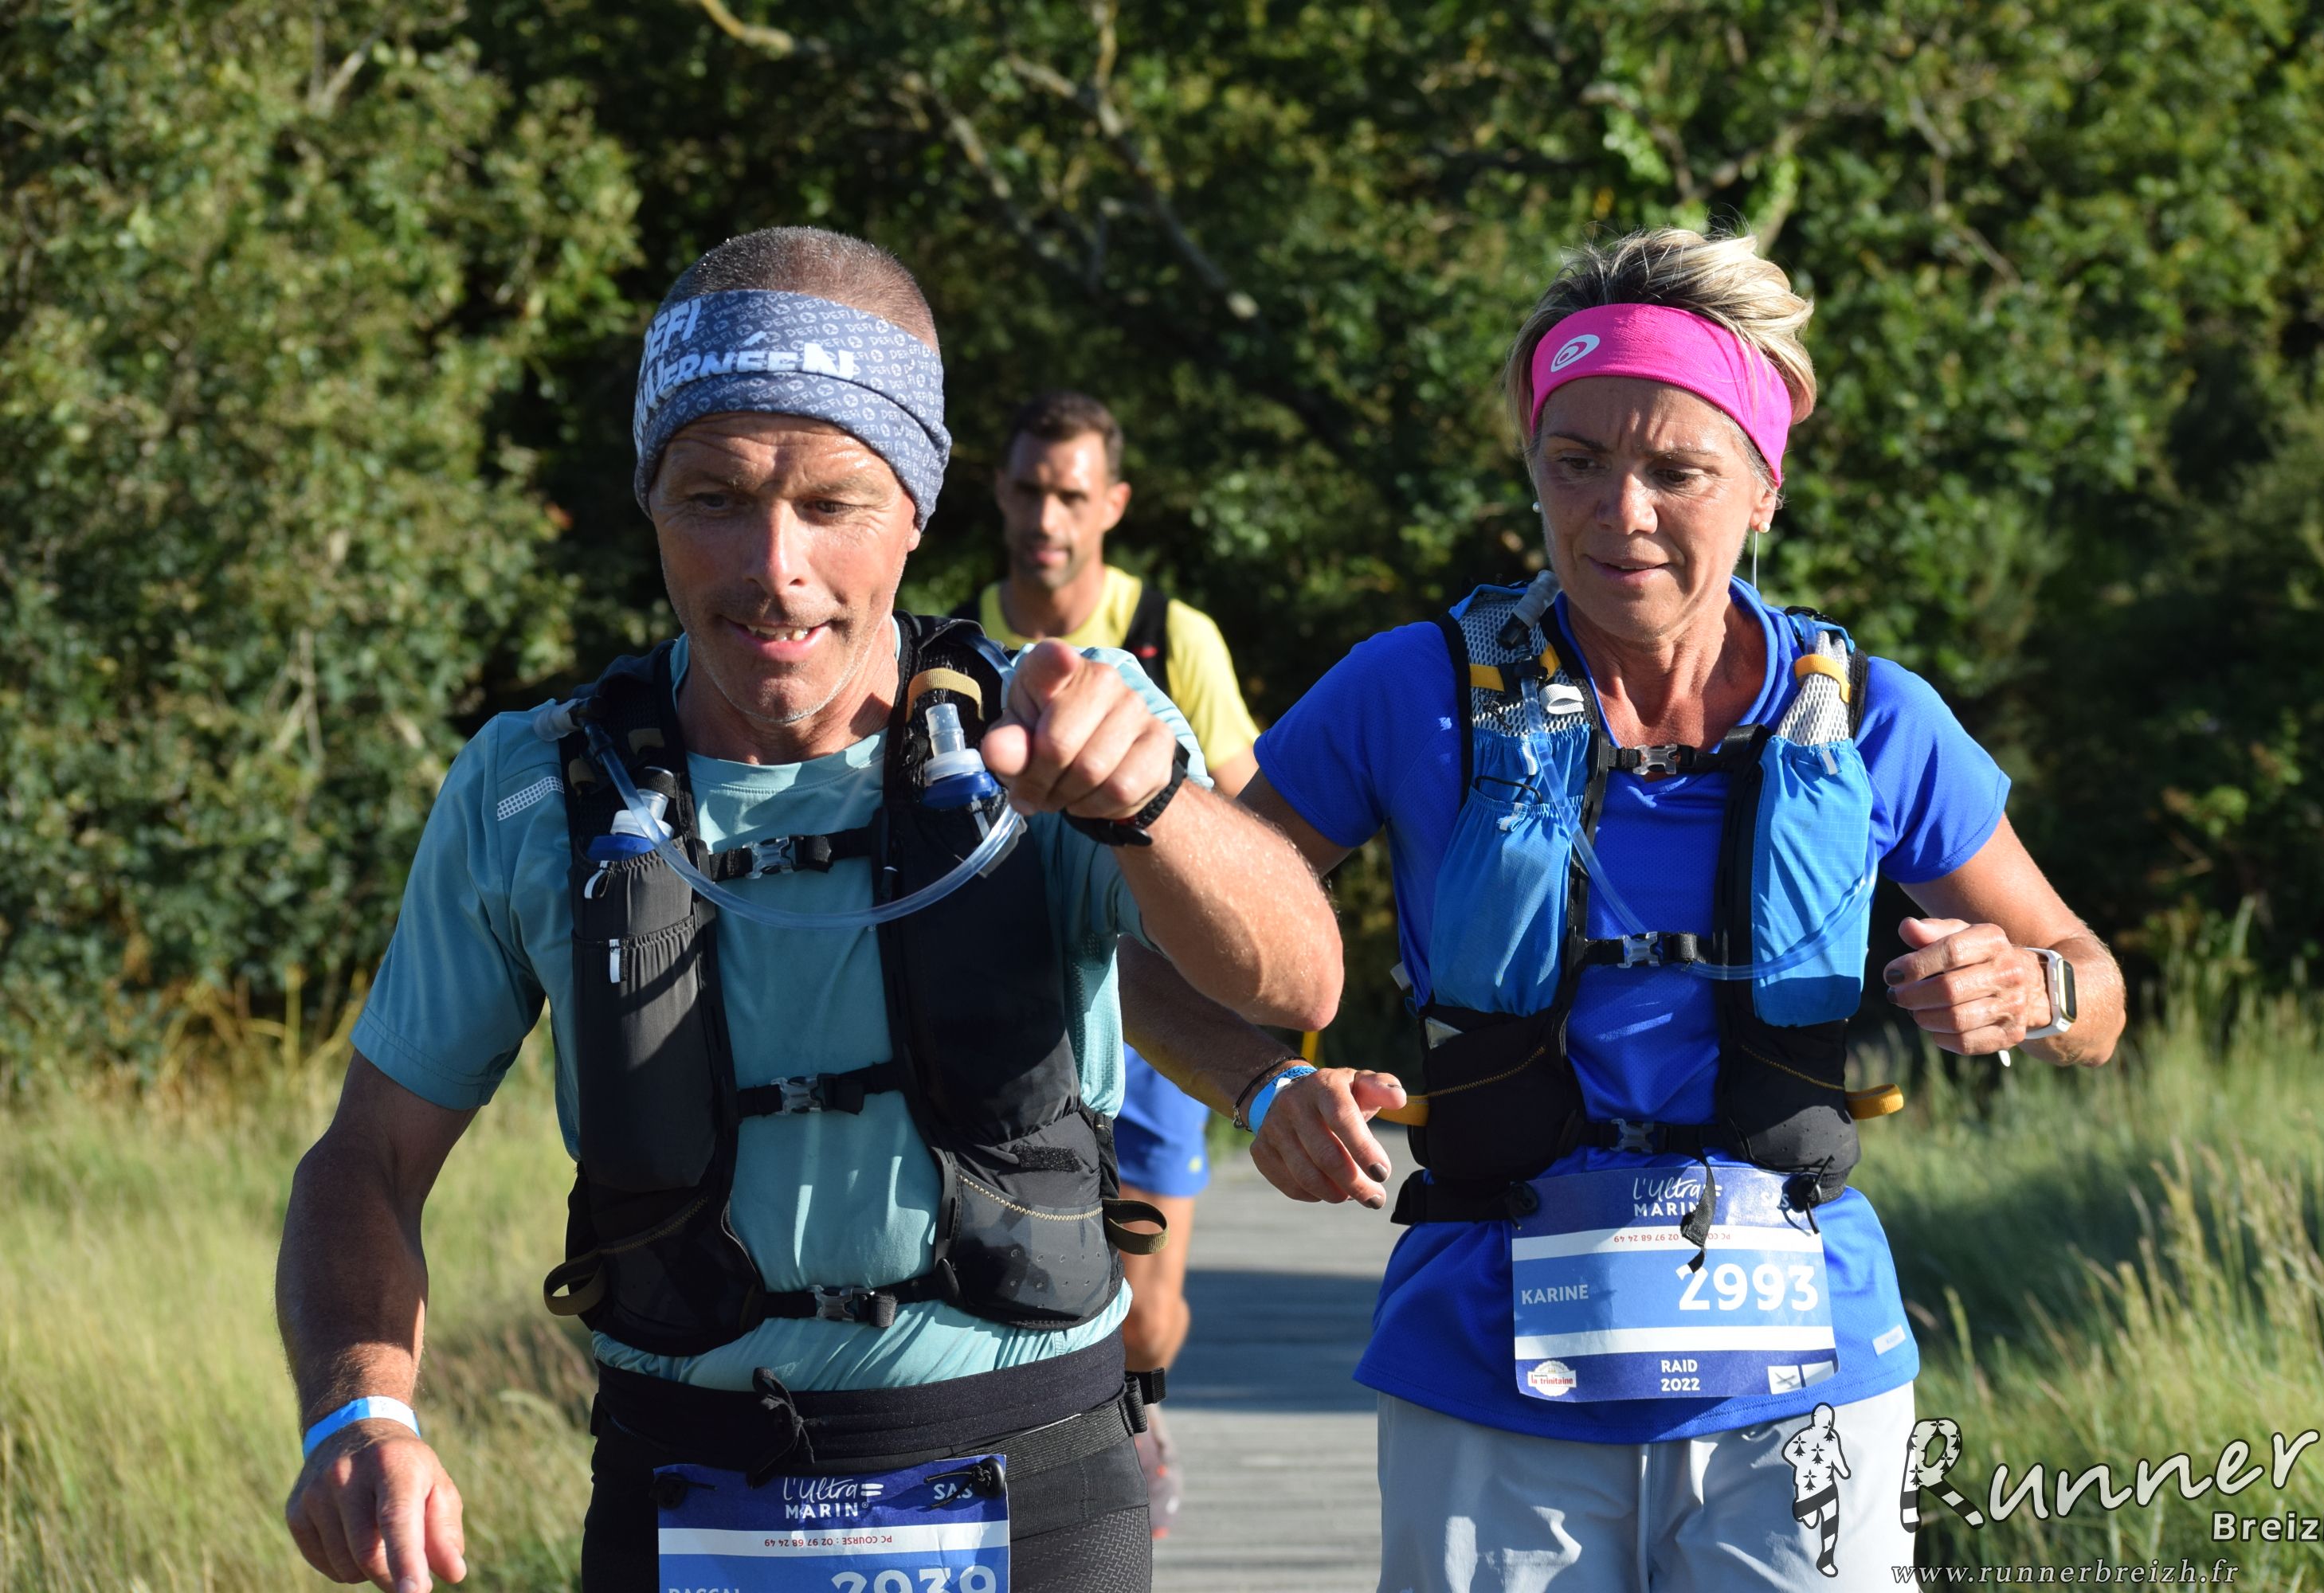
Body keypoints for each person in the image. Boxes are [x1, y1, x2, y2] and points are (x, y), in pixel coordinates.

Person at [274, 225, 1342, 1593]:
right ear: (650, 499)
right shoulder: (532, 790)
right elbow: (367, 1161)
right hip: (676, 1490)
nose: (774, 563)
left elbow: (1298, 981)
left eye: (834, 501)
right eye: (714, 496)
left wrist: (1154, 809)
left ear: (919, 507)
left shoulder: (1062, 723)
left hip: (1039, 1488)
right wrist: (362, 1416)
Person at [1118, 226, 2125, 1590]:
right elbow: (1142, 951)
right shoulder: (1410, 693)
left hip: (1808, 1377)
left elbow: (2094, 992)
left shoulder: (1874, 718)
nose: (1620, 512)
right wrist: (1264, 1085)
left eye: (1677, 471)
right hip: (1487, 1369)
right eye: (1575, 462)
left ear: (1764, 489)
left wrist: (2034, 990)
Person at [974, 389, 1264, 1537]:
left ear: (1114, 504)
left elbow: (1254, 823)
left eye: (1071, 495)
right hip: (1012, 1012)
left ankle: (1143, 1408)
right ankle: (1051, 1474)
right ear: (1000, 493)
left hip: (1153, 1014)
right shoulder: (952, 641)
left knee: (1146, 1316)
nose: (1046, 518)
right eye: (1029, 490)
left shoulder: (1173, 637)